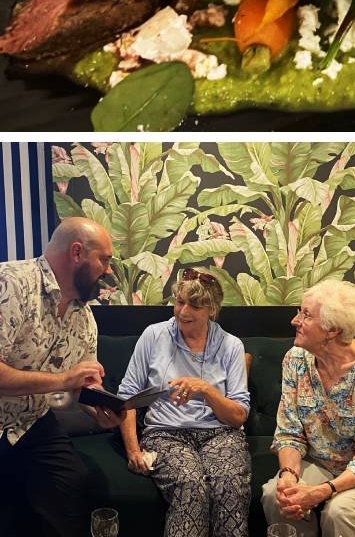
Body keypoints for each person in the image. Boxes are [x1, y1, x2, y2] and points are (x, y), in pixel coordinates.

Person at [0, 217, 124, 537]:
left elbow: (83, 384)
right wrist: (63, 379)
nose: (108, 270)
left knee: (73, 484)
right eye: (105, 259)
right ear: (77, 252)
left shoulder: (84, 318)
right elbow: (67, 379)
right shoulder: (11, 284)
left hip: (33, 422)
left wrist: (98, 409)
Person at [118, 267, 251, 537]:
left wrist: (206, 390)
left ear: (212, 310)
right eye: (180, 301)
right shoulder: (154, 336)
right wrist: (133, 450)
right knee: (190, 486)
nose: (183, 311)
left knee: (230, 486)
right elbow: (127, 397)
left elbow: (238, 416)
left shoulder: (231, 346)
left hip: (221, 434)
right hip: (165, 434)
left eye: (195, 305)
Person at [261, 279, 355, 537]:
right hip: (320, 460)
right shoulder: (295, 359)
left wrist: (320, 491)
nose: (295, 320)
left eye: (306, 315)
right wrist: (288, 475)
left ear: (331, 330)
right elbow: (289, 432)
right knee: (276, 496)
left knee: (338, 512)